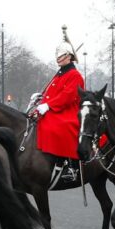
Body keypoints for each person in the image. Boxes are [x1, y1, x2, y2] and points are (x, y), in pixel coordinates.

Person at [31, 39, 86, 181]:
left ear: (69, 57)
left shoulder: (75, 75)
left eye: (61, 56)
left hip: (67, 110)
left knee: (62, 126)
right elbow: (52, 93)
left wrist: (48, 105)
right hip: (55, 108)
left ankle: (70, 165)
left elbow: (67, 96)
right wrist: (41, 98)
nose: (58, 59)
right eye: (57, 56)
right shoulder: (60, 73)